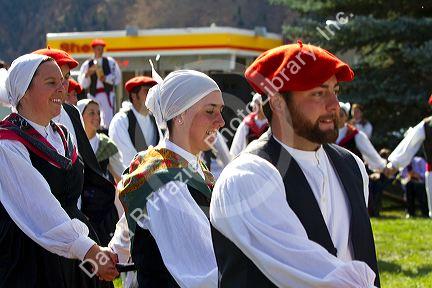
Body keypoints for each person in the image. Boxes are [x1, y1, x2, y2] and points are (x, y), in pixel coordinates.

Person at [210, 42, 380, 287]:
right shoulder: (247, 178)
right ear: (278, 102)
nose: (334, 105)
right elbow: (311, 276)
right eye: (318, 93)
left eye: (335, 91)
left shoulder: (351, 165)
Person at [0, 54, 118, 287]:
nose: (62, 88)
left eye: (62, 82)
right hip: (32, 252)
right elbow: (38, 205)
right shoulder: (8, 144)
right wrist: (89, 250)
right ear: (24, 91)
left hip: (75, 247)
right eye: (51, 83)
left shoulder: (62, 135)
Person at [109, 69, 224, 288]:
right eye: (210, 111)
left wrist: (115, 253)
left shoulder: (173, 164)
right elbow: (204, 272)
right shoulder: (167, 183)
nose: (221, 121)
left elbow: (132, 221)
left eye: (220, 110)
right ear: (180, 115)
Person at [33, 47, 119, 247]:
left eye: (65, 78)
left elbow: (86, 163)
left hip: (75, 216)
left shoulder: (72, 113)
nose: (62, 85)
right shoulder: (23, 122)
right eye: (53, 80)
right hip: (40, 225)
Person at [108, 76, 162, 167]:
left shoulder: (155, 120)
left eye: (153, 92)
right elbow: (127, 156)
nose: (152, 96)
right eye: (146, 91)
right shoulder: (121, 120)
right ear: (134, 96)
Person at [77, 99, 125, 183]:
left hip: (100, 194)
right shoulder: (72, 143)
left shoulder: (107, 145)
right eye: (92, 113)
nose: (97, 117)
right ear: (80, 116)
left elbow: (120, 177)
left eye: (98, 113)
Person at [78, 39, 121, 129]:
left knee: (109, 116)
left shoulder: (110, 62)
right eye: (98, 49)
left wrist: (106, 78)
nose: (100, 51)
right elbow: (82, 83)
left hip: (107, 94)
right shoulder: (87, 64)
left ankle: (108, 131)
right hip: (94, 94)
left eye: (101, 49)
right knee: (94, 115)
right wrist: (87, 74)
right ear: (93, 49)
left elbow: (117, 78)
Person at [336, 101, 386, 171]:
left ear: (346, 116)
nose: (338, 118)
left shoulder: (355, 134)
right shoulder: (326, 134)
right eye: (335, 115)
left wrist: (383, 166)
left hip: (351, 173)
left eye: (341, 115)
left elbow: (370, 153)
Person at [230, 92, 268, 157]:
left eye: (259, 104)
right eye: (256, 104)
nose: (257, 107)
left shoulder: (270, 125)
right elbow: (236, 148)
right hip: (249, 160)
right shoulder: (246, 124)